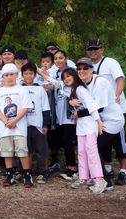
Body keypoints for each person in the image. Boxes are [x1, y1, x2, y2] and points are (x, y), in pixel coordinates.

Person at [71, 57, 125, 191]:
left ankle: (104, 181)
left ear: (92, 69)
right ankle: (92, 177)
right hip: (99, 120)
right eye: (79, 69)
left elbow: (99, 108)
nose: (82, 71)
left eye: (85, 68)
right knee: (91, 148)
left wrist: (77, 114)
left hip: (112, 120)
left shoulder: (99, 82)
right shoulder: (83, 84)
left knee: (93, 147)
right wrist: (71, 103)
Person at [86, 39, 126, 185]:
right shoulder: (88, 66)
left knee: (120, 141)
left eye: (95, 49)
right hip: (101, 112)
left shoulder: (110, 62)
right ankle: (107, 168)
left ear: (101, 49)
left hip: (116, 109)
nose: (93, 51)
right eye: (90, 49)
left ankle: (123, 171)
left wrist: (117, 94)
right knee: (102, 140)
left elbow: (120, 79)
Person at [0, 63, 34, 187]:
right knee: (7, 151)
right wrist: (6, 122)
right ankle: (9, 173)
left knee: (22, 150)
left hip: (19, 127)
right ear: (3, 77)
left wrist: (14, 121)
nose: (9, 77)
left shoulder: (22, 89)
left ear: (17, 75)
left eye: (12, 74)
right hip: (5, 128)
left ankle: (27, 174)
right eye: (6, 75)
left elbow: (25, 107)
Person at [46, 50, 78, 179]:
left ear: (66, 59)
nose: (58, 60)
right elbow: (51, 81)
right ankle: (71, 167)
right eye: (56, 58)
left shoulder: (71, 74)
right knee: (64, 141)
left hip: (70, 114)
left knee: (67, 140)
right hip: (59, 115)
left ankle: (73, 168)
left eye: (61, 58)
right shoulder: (56, 75)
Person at [21, 63, 51, 184]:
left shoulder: (40, 89)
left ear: (35, 75)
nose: (28, 76)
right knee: (24, 150)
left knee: (41, 150)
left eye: (31, 73)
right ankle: (25, 171)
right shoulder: (19, 89)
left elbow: (45, 108)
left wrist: (45, 124)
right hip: (23, 125)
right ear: (22, 75)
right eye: (26, 73)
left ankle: (42, 172)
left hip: (37, 125)